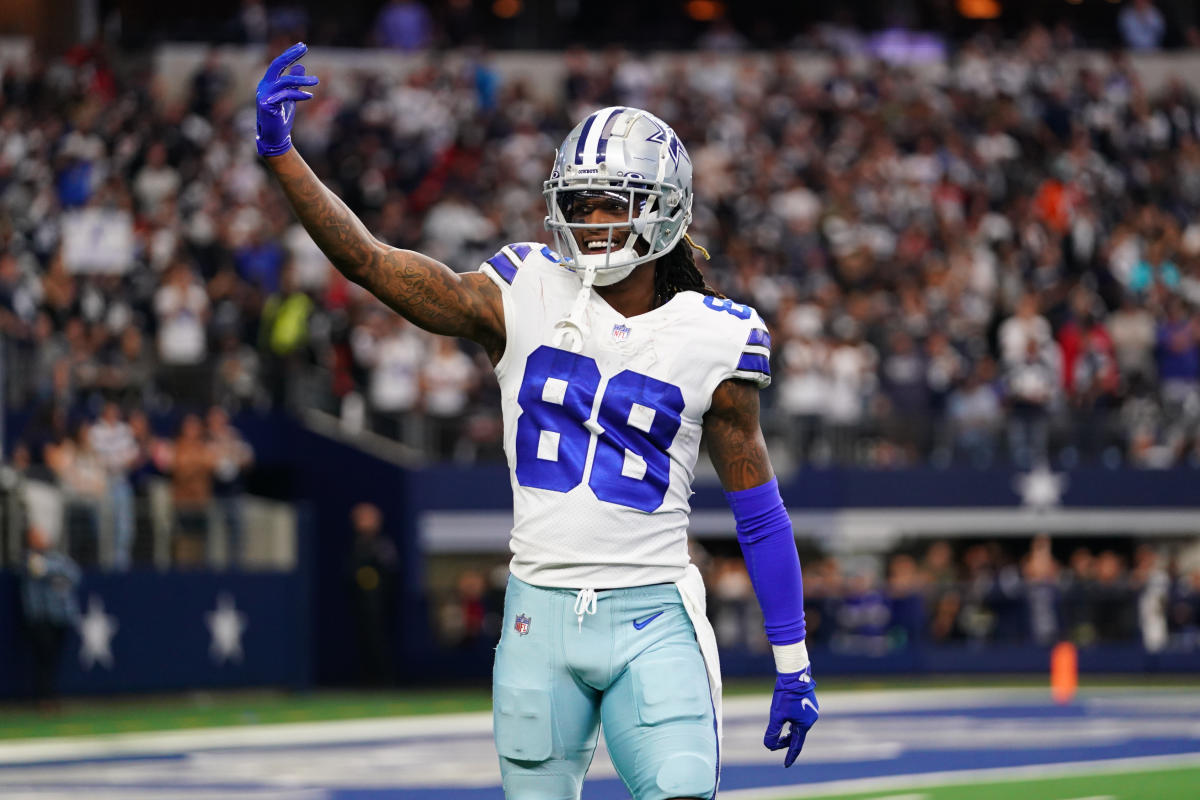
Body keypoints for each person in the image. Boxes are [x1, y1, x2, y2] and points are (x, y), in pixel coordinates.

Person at [257, 43, 818, 799]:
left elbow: (758, 512)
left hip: (653, 613)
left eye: (609, 204)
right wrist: (284, 156)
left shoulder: (714, 337)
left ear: (664, 210)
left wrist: (793, 660)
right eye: (579, 203)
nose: (589, 223)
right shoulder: (520, 289)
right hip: (536, 617)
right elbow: (369, 262)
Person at [19, 524, 81, 710]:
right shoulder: (28, 558)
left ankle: (51, 695)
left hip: (60, 617)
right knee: (43, 659)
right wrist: (56, 572)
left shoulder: (57, 558)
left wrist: (53, 570)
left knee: (54, 659)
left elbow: (74, 574)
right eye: (37, 537)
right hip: (41, 618)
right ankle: (43, 697)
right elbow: (39, 570)